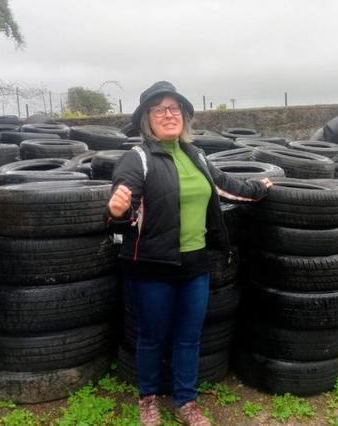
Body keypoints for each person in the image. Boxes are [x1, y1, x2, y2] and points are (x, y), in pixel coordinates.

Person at [106, 81, 272, 426]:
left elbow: (226, 185)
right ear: (147, 120)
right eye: (159, 109)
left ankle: (186, 402)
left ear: (184, 116)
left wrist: (261, 188)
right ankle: (148, 400)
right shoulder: (137, 159)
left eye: (174, 108)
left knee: (189, 337)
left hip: (195, 264)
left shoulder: (195, 155)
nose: (169, 114)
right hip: (151, 266)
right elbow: (124, 206)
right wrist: (118, 210)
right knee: (152, 337)